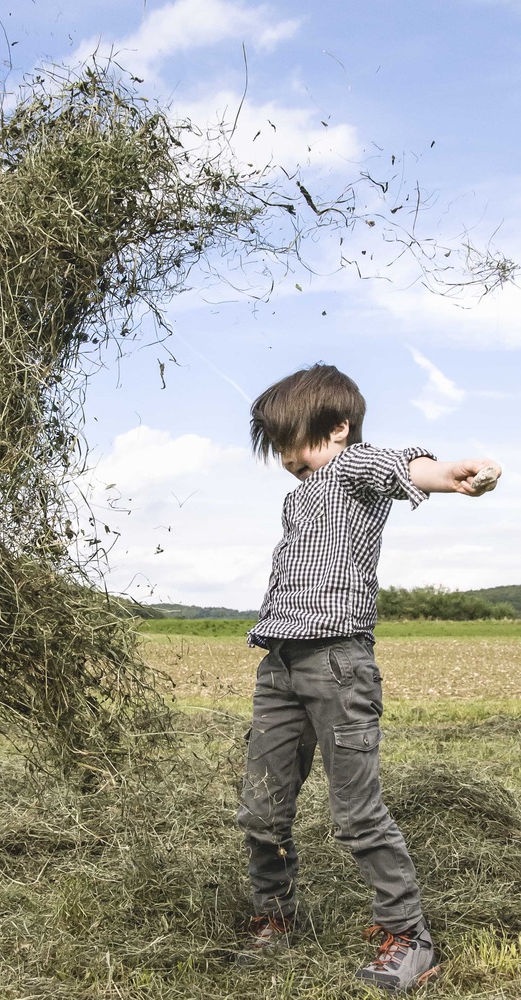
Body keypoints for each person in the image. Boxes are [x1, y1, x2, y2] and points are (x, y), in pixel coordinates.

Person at [236, 363, 501, 993]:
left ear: (337, 429)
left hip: (337, 664)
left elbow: (402, 465)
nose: (283, 459)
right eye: (275, 449)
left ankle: (408, 936)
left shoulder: (350, 469)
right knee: (261, 808)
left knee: (355, 812)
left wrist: (450, 475)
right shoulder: (299, 493)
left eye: (290, 443)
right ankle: (273, 916)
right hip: (279, 664)